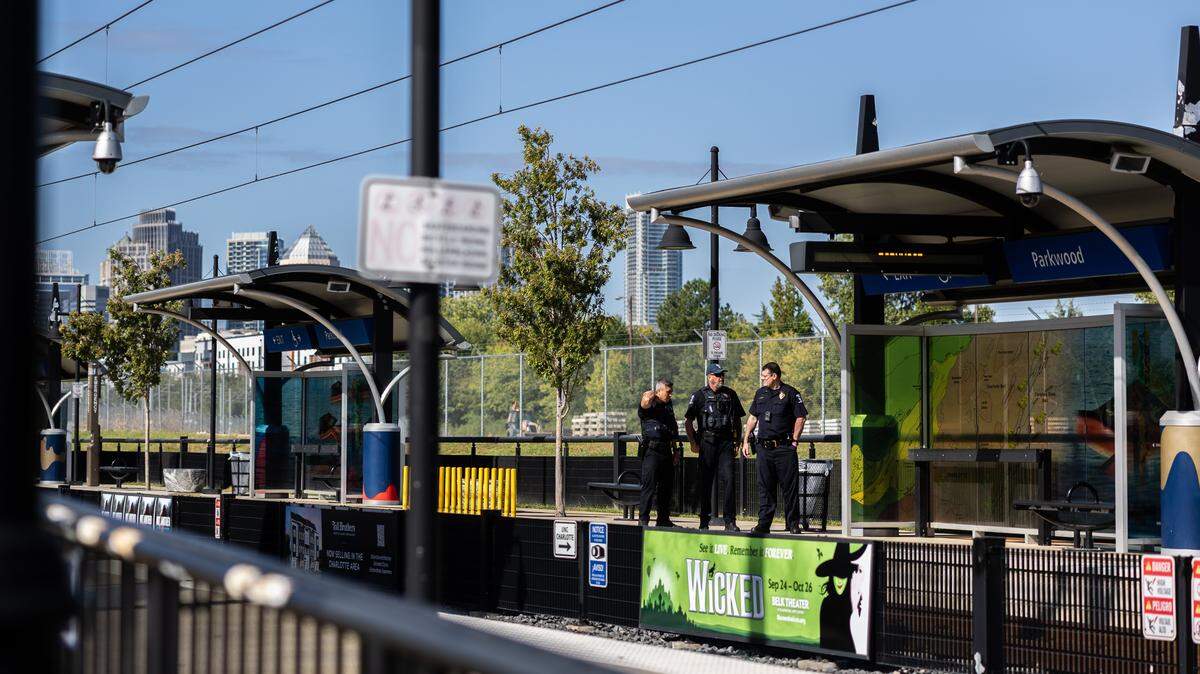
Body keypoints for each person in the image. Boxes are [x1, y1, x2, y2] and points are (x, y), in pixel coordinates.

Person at [741, 362, 808, 534]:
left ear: (775, 376)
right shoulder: (760, 393)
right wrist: (746, 440)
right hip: (764, 448)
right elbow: (753, 418)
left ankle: (792, 523)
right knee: (765, 488)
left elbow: (801, 417)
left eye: (765, 376)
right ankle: (764, 524)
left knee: (789, 488)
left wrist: (794, 441)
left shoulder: (791, 393)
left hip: (784, 448)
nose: (762, 379)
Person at [685, 363, 745, 531]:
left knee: (729, 480)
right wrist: (693, 442)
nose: (721, 378)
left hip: (726, 443)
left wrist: (737, 441)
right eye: (718, 375)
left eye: (722, 375)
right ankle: (704, 521)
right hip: (707, 443)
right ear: (709, 376)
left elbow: (738, 420)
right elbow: (688, 421)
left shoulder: (730, 394)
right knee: (705, 482)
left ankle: (730, 521)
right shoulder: (699, 396)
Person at [638, 378, 680, 527]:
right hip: (652, 451)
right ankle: (643, 520)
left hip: (666, 451)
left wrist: (676, 450)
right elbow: (644, 404)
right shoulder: (650, 406)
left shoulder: (668, 406)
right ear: (659, 391)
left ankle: (663, 519)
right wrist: (648, 396)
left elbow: (672, 430)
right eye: (668, 392)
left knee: (666, 488)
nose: (670, 395)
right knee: (649, 487)